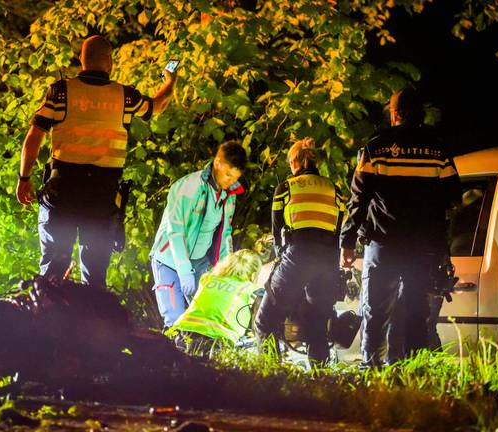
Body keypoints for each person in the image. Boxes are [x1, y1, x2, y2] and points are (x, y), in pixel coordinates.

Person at [16, 35, 176, 288]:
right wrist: (170, 82)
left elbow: (33, 137)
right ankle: (92, 321)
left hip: (63, 190)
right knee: (95, 273)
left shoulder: (61, 91)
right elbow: (157, 106)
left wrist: (24, 178)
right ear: (109, 61)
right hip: (101, 196)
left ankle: (48, 320)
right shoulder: (124, 96)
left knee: (53, 272)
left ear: (81, 60)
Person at [339, 88, 461, 367]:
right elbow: (454, 197)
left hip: (383, 243)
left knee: (375, 311)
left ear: (394, 114)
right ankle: (412, 372)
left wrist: (347, 242)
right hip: (422, 246)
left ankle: (371, 369)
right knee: (417, 310)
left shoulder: (376, 147)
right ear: (421, 115)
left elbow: (358, 199)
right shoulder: (438, 149)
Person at [254, 138, 347, 364]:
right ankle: (320, 380)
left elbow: (278, 236)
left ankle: (269, 377)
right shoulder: (334, 189)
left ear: (295, 161)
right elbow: (339, 231)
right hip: (328, 260)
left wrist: (283, 264)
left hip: (298, 255)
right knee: (317, 326)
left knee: (265, 321)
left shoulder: (286, 188)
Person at [150, 141, 247, 328]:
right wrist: (184, 269)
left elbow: (225, 234)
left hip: (199, 261)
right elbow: (175, 230)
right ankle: (169, 355)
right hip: (169, 259)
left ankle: (198, 355)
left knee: (208, 318)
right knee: (175, 321)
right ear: (217, 163)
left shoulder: (229, 195)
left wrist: (226, 271)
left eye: (235, 178)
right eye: (228, 174)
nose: (230, 181)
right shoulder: (189, 187)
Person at [166, 249, 263, 355]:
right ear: (254, 275)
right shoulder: (252, 290)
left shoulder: (207, 279)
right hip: (217, 341)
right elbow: (259, 329)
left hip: (182, 332)